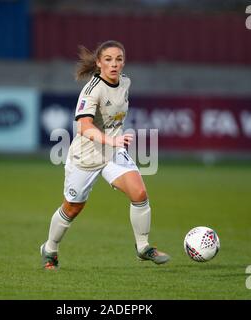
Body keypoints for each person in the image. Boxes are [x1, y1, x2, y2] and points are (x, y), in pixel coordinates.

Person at [40, 40, 170, 270]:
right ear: (99, 63)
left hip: (112, 151)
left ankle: (143, 247)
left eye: (118, 59)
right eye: (108, 59)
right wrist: (112, 139)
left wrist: (114, 143)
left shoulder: (125, 82)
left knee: (139, 192)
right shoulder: (92, 89)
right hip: (86, 156)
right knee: (72, 208)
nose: (114, 64)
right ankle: (50, 248)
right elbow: (83, 127)